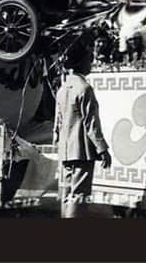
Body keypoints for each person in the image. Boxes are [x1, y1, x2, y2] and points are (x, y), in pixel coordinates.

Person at [54, 36, 112, 218]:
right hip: (82, 150)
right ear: (81, 62)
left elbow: (58, 122)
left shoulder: (63, 88)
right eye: (89, 59)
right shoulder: (85, 89)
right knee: (79, 195)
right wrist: (103, 149)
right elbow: (91, 123)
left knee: (66, 194)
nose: (91, 63)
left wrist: (58, 142)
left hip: (65, 150)